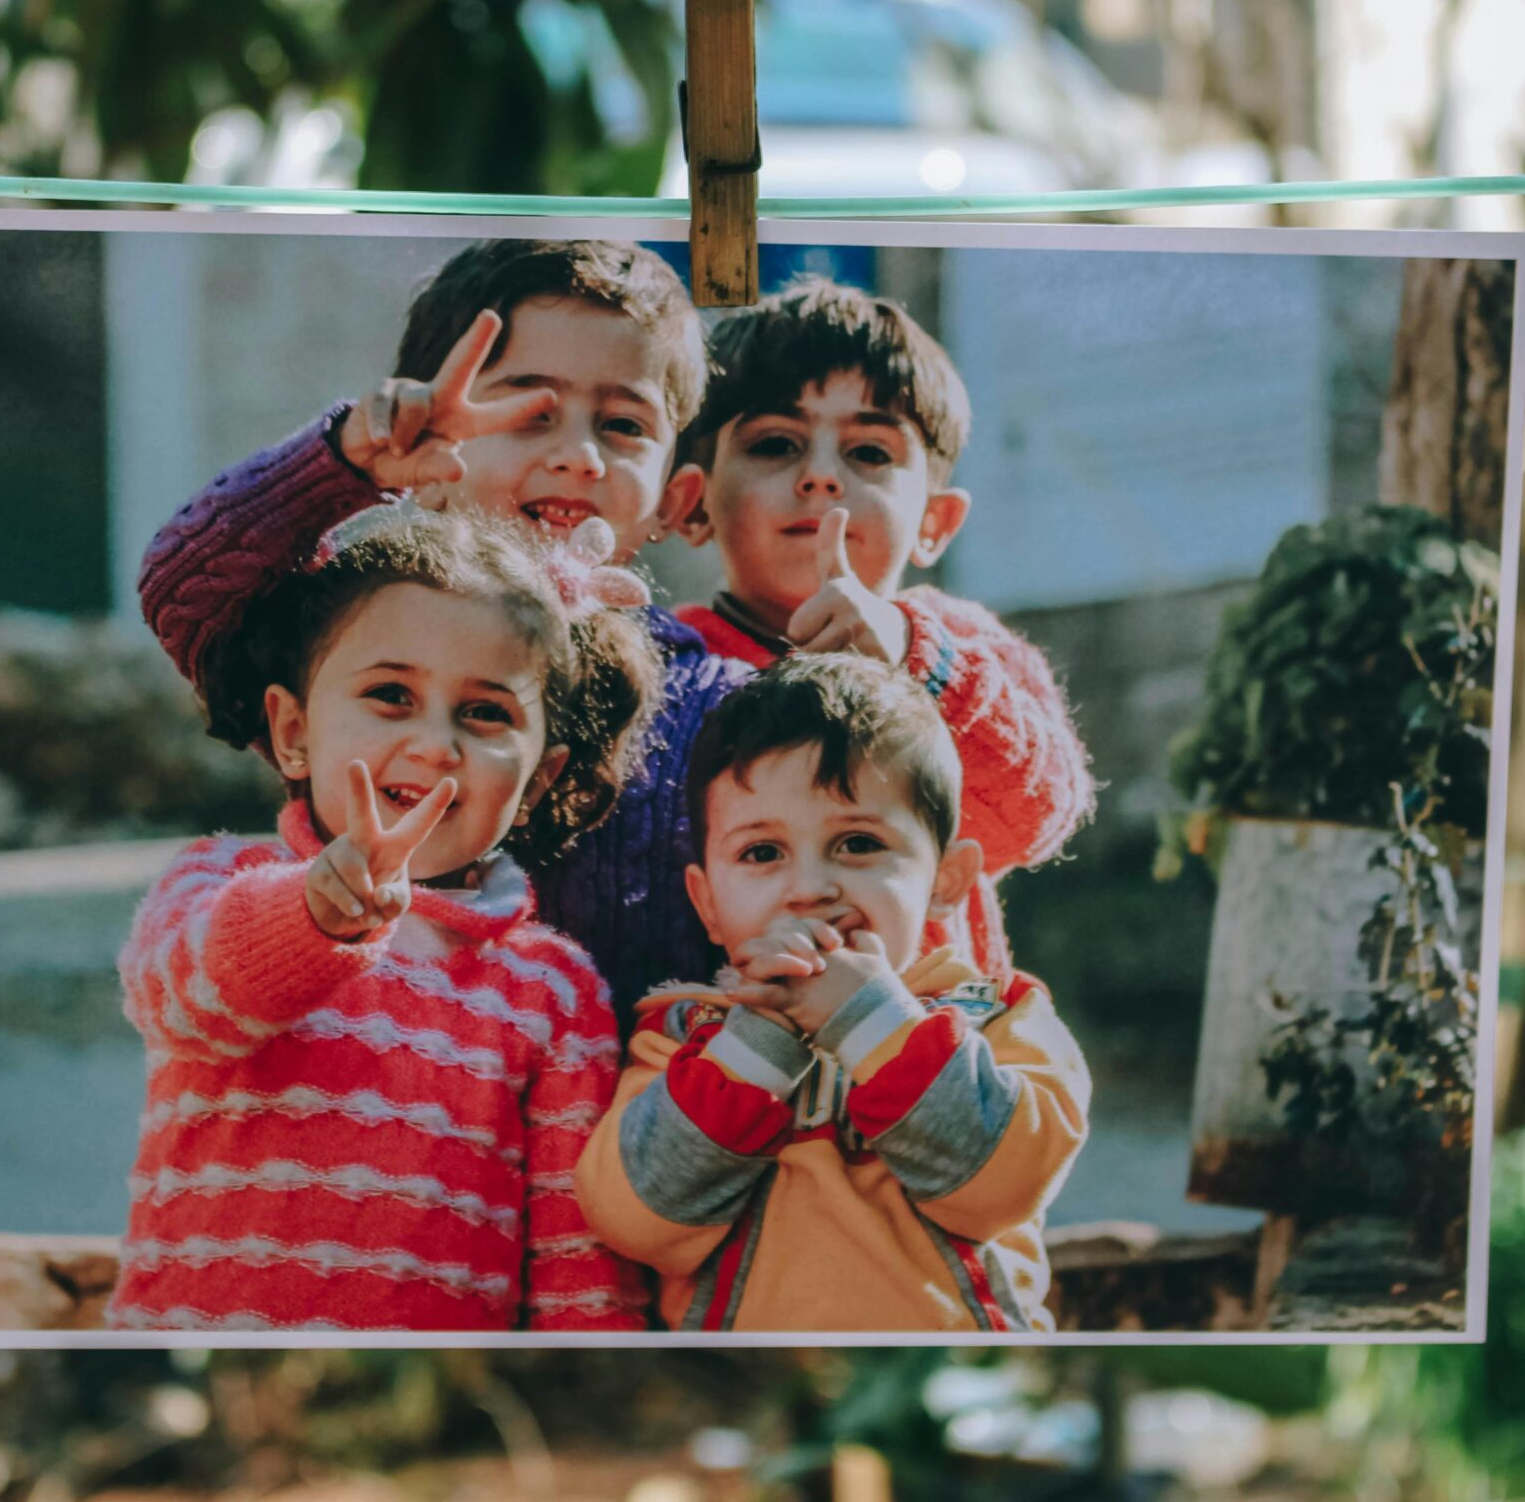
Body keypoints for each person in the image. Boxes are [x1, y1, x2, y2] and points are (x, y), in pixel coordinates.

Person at [136, 238, 750, 1030]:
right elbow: (190, 585)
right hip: (374, 1106)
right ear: (431, 453)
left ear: (677, 495)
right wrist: (350, 463)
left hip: (621, 1130)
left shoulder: (720, 706)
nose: (578, 454)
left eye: (623, 423)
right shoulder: (363, 632)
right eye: (530, 412)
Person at [108, 504, 658, 1332]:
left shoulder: (552, 991)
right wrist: (317, 914)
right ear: (293, 733)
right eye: (390, 694)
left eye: (485, 712)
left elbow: (576, 1262)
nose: (437, 742)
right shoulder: (224, 878)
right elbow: (181, 1001)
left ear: (539, 780)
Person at [575, 655, 1091, 1331]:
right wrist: (760, 1041)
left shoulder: (998, 1016)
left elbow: (1003, 1187)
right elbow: (637, 1221)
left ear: (946, 877)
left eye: (857, 842)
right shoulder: (681, 1039)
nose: (810, 888)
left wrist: (869, 1019)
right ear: (706, 902)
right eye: (763, 853)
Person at [669, 275, 1097, 978]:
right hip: (741, 1053)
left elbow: (1034, 816)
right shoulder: (666, 668)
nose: (821, 476)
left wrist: (911, 656)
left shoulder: (963, 646)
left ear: (936, 522)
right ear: (691, 502)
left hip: (935, 1053)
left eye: (868, 452)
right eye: (776, 443)